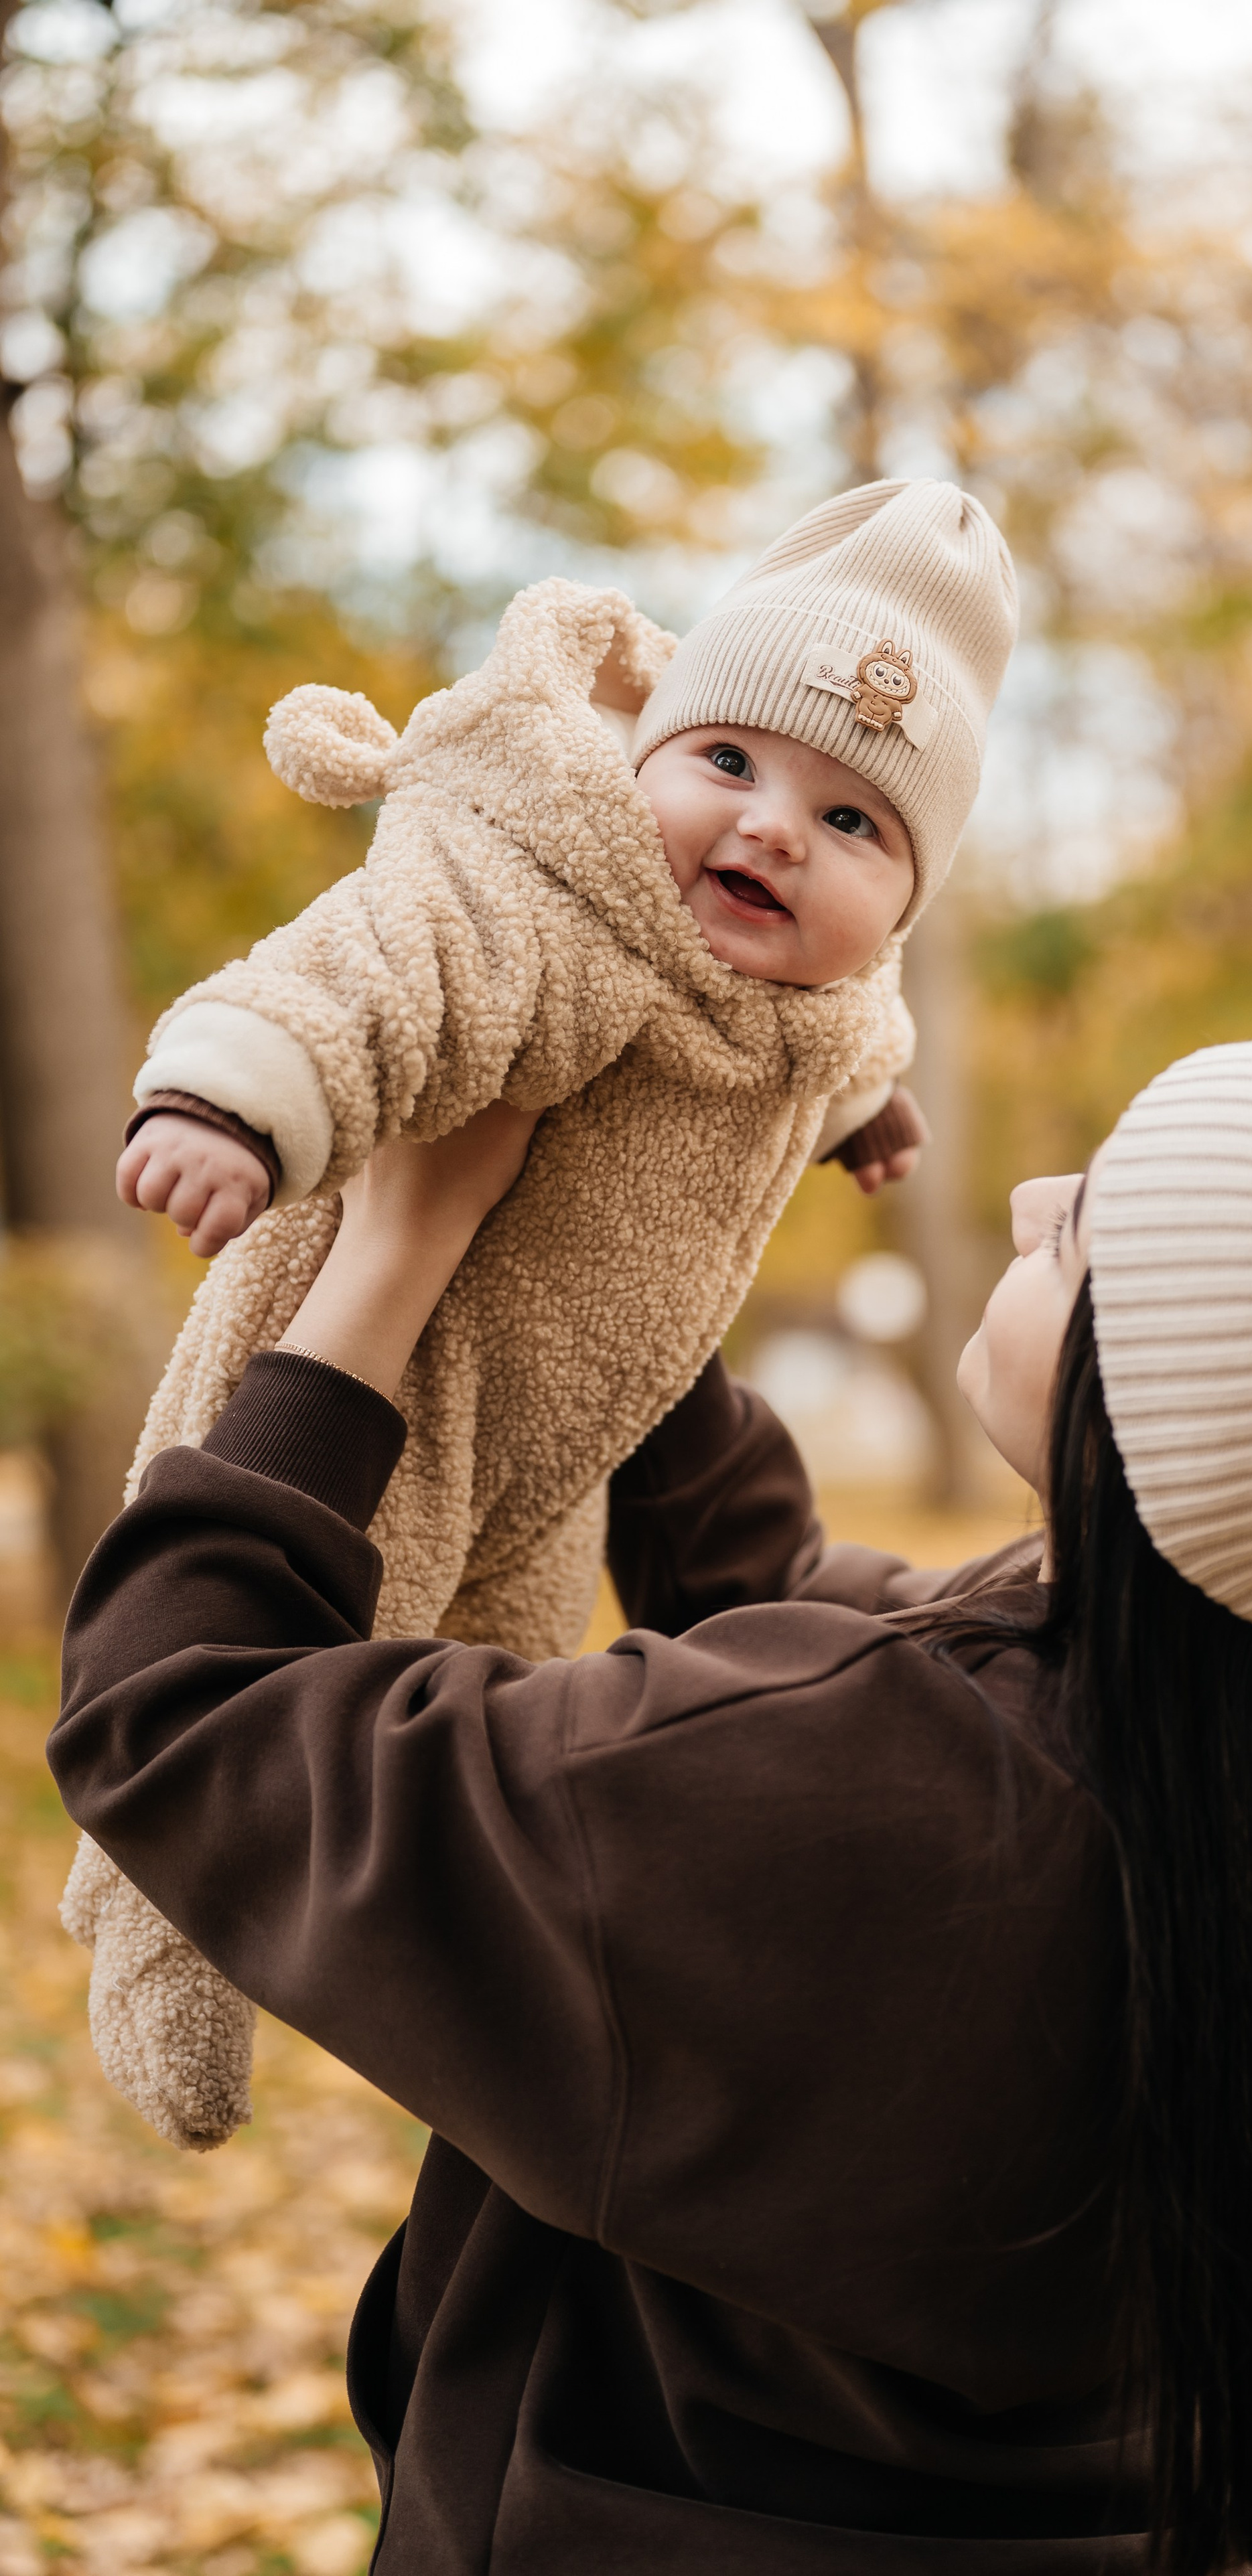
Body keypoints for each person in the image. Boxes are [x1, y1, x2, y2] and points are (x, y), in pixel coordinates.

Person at [51, 1037, 1252, 2571]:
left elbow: (182, 1711)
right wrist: (626, 1255)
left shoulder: (843, 1792)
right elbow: (777, 1599)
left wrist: (396, 1249)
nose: (1028, 1199)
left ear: (1165, 1400)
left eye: (1090, 1229)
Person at [66, 475, 1016, 2160]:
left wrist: (873, 1113)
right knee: (274, 1705)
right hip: (378, 1366)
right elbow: (373, 970)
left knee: (472, 1741)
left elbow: (852, 1038)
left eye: (853, 822)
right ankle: (169, 1964)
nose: (775, 829)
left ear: (901, 897)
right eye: (728, 763)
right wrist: (230, 1101)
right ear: (644, 754)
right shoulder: (550, 911)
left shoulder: (809, 1005)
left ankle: (423, 2018)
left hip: (576, 1437)